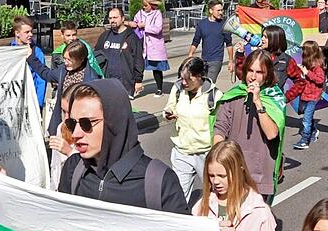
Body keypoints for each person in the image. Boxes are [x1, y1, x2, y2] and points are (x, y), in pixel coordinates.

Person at [57, 79, 187, 213]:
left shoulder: (159, 180)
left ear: (114, 122)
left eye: (86, 123)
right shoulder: (73, 168)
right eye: (72, 124)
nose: (76, 134)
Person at [213, 49, 285, 200]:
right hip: (232, 170)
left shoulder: (274, 98)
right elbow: (220, 129)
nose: (253, 77)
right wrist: (218, 160)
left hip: (259, 174)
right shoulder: (233, 96)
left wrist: (258, 102)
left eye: (259, 72)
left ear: (268, 74)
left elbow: (272, 134)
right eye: (250, 71)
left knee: (254, 220)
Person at [163, 57, 222, 202]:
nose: (184, 83)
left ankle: (219, 221)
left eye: (188, 79)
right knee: (179, 197)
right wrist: (167, 114)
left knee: (215, 194)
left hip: (206, 153)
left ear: (199, 76)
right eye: (182, 78)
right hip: (182, 152)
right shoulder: (177, 90)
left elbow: (222, 126)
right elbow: (169, 107)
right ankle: (181, 223)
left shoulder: (214, 96)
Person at [25, 40, 102, 137]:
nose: (65, 62)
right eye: (64, 58)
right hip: (63, 123)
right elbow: (46, 74)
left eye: (69, 60)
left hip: (81, 127)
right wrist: (31, 58)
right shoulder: (63, 71)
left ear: (81, 59)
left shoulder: (92, 79)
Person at [95, 8, 145, 99]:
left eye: (115, 17)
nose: (112, 20)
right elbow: (96, 56)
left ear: (122, 19)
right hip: (107, 82)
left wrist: (138, 80)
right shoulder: (105, 36)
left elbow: (138, 59)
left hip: (125, 83)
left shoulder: (132, 37)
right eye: (110, 18)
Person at [286, 41, 326, 150]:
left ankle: (304, 140)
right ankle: (313, 130)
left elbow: (320, 80)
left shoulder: (317, 66)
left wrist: (307, 72)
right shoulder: (306, 63)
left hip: (313, 96)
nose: (302, 52)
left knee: (306, 119)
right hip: (304, 94)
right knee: (305, 114)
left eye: (304, 50)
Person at [130, 0, 170, 97]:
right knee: (137, 68)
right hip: (141, 44)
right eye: (143, 5)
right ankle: (134, 89)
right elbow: (135, 22)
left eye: (146, 5)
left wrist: (145, 26)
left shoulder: (157, 14)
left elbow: (157, 29)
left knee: (156, 68)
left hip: (154, 46)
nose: (144, 7)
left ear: (152, 5)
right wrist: (133, 24)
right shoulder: (139, 13)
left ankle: (159, 88)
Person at [188, 0, 234, 84]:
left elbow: (229, 44)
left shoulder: (224, 25)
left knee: (209, 83)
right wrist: (190, 55)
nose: (221, 12)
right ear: (211, 11)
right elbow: (196, 41)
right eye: (218, 10)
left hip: (216, 60)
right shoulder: (202, 24)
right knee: (200, 83)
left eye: (222, 10)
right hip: (204, 60)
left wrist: (231, 61)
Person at [11, 16, 47, 110]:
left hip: (32, 99)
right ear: (17, 33)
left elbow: (41, 79)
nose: (30, 34)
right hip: (14, 100)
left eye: (31, 31)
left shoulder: (37, 51)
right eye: (27, 32)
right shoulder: (9, 50)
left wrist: (38, 103)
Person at [261, 25, 300, 93]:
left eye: (265, 37)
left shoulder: (287, 60)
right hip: (254, 100)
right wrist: (240, 54)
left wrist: (285, 98)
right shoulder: (258, 55)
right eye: (262, 36)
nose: (262, 39)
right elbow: (242, 76)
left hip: (274, 101)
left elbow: (300, 81)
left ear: (274, 39)